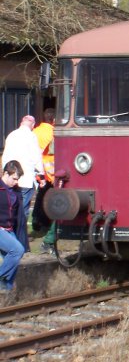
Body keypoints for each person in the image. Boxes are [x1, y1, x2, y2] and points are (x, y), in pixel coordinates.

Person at [1, 115, 43, 226]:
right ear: (33, 125)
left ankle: (9, 227)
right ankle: (21, 231)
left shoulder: (11, 135)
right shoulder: (32, 136)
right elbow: (36, 157)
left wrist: (5, 173)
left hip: (11, 176)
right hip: (26, 177)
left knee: (11, 205)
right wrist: (41, 174)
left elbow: (5, 156)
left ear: (21, 123)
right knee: (23, 208)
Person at [0, 160, 28, 292]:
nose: (16, 182)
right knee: (17, 250)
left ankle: (6, 294)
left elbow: (19, 216)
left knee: (13, 263)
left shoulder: (16, 191)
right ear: (6, 173)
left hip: (10, 230)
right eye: (14, 178)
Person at [32, 109, 56, 255]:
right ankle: (48, 228)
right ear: (53, 120)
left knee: (41, 195)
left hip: (37, 169)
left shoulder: (36, 131)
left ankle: (37, 220)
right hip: (50, 169)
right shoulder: (52, 132)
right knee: (52, 198)